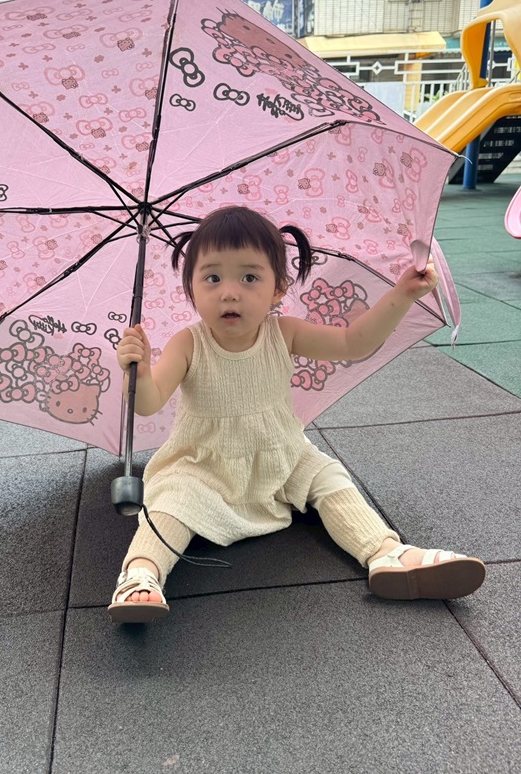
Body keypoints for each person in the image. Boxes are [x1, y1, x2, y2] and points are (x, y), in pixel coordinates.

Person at [109, 206, 485, 623]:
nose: (229, 293)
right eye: (212, 278)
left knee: (328, 477)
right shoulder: (188, 343)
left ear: (278, 288)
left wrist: (402, 295)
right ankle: (141, 571)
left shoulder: (284, 332)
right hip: (204, 462)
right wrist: (139, 372)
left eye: (249, 278)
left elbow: (353, 343)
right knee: (172, 498)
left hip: (280, 452)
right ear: (191, 289)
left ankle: (386, 552)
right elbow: (148, 402)